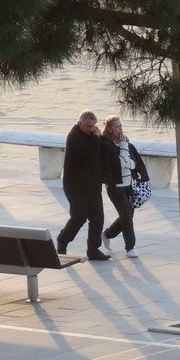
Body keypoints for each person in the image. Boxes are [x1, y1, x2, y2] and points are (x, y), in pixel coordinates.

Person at [57, 110, 110, 261]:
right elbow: (90, 153)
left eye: (94, 126)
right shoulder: (74, 137)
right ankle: (63, 240)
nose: (92, 129)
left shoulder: (93, 136)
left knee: (97, 218)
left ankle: (93, 249)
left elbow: (103, 152)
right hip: (75, 187)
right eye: (89, 126)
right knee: (79, 217)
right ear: (80, 123)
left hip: (92, 185)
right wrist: (96, 138)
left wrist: (101, 138)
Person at [101, 115, 149, 259]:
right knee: (127, 216)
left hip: (130, 186)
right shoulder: (106, 146)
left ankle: (108, 234)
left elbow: (135, 163)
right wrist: (123, 148)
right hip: (115, 187)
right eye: (117, 127)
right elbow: (120, 163)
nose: (120, 129)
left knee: (127, 215)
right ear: (109, 130)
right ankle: (130, 248)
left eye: (121, 126)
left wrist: (138, 173)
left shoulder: (128, 145)